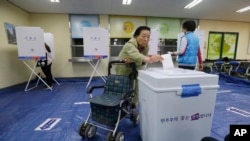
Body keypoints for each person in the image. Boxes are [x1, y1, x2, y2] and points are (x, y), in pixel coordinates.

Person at [115, 26, 163, 108]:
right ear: (136, 36)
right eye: (143, 36)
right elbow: (136, 55)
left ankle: (133, 106)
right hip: (123, 69)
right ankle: (120, 106)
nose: (146, 39)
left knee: (137, 88)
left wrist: (144, 60)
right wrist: (148, 59)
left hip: (136, 68)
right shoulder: (129, 44)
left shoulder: (146, 46)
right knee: (123, 88)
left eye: (148, 37)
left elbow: (141, 60)